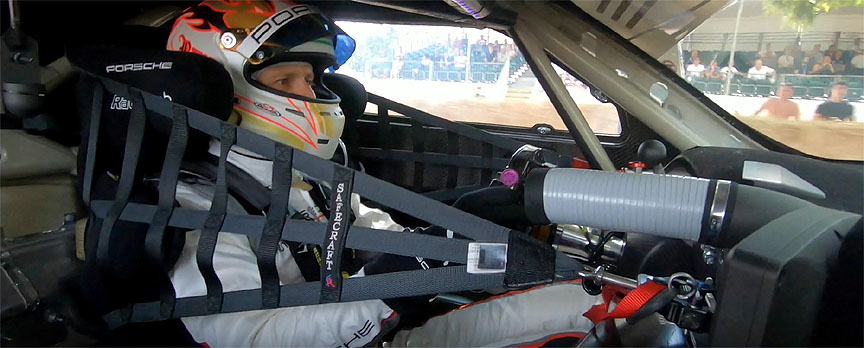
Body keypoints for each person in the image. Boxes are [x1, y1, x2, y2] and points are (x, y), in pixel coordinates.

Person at [158, 2, 602, 346]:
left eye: (310, 78)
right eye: (283, 81)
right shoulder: (195, 206)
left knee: (591, 303)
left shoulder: (311, 176)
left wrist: (448, 239)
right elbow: (250, 340)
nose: (309, 93)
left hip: (378, 333)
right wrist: (398, 282)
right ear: (225, 91)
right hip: (360, 332)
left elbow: (376, 235)